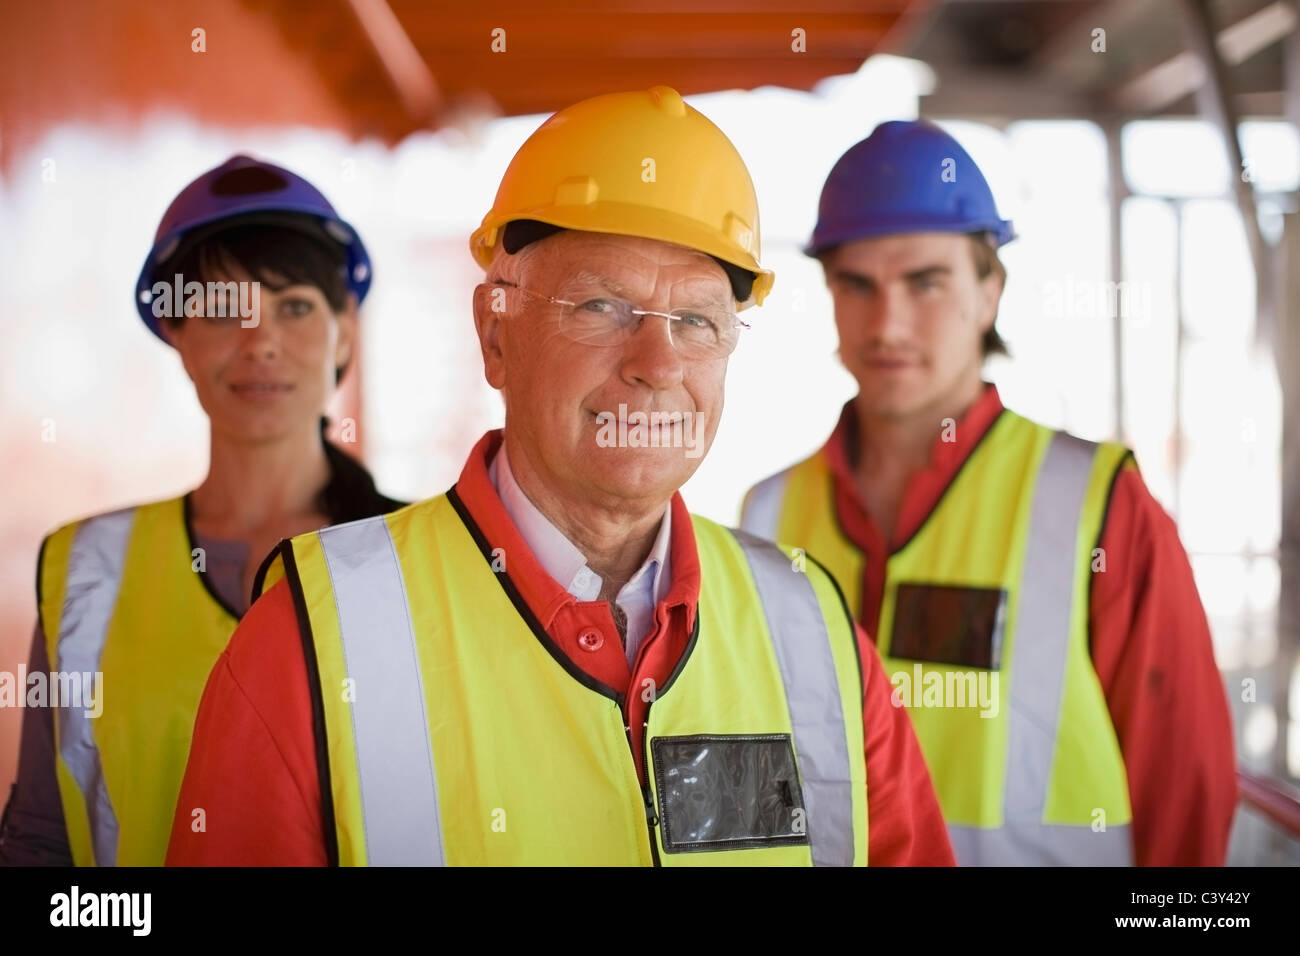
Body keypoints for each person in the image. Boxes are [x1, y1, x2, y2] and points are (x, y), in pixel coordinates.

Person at [166, 87, 953, 866]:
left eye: (697, 321)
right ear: (495, 334)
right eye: (602, 306)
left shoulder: (812, 633)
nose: (658, 365)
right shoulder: (313, 635)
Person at [740, 120, 1237, 866]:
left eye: (926, 282)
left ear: (988, 291)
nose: (888, 323)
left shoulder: (1100, 509)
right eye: (857, 284)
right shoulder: (767, 514)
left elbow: (1184, 787)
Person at [0, 155, 403, 866]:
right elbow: (41, 837)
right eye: (222, 310)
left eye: (295, 307)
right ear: (176, 336)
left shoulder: (425, 555)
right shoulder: (88, 570)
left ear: (345, 330)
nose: (261, 343)